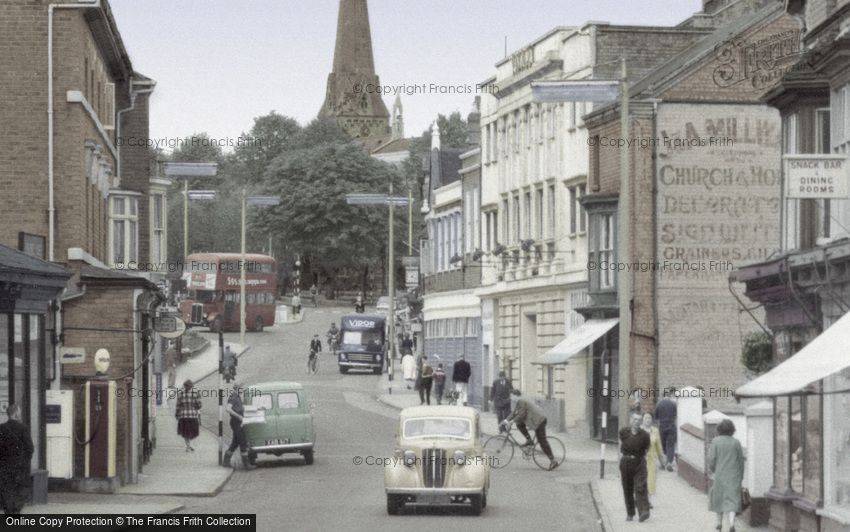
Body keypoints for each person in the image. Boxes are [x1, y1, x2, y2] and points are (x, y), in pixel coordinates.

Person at [500, 392, 559, 471]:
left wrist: (511, 422)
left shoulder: (521, 401)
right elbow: (514, 413)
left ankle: (553, 461)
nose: (511, 398)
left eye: (511, 396)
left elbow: (521, 415)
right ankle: (529, 440)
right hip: (535, 421)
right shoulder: (519, 402)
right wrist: (506, 420)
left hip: (539, 421)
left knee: (542, 442)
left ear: (515, 395)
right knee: (519, 424)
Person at [708, 419, 745, 532]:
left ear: (719, 429)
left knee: (719, 498)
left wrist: (713, 469)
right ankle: (732, 524)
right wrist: (741, 476)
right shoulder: (736, 442)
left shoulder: (715, 441)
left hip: (720, 474)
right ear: (732, 430)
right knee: (732, 500)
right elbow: (740, 461)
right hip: (734, 475)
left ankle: (719, 523)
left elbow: (712, 459)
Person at [0, 404, 33, 515]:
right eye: (19, 412)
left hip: (4, 466)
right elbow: (30, 448)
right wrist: (25, 461)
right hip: (20, 466)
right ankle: (16, 510)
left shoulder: (1, 428)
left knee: (6, 489)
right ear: (16, 413)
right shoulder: (23, 428)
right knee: (21, 488)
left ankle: (8, 511)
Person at [619, 412, 651, 522]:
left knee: (640, 486)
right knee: (627, 488)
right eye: (634, 419)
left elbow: (647, 448)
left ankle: (643, 512)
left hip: (639, 462)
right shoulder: (624, 432)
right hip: (626, 462)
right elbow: (620, 445)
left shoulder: (645, 435)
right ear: (630, 421)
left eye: (639, 420)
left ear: (641, 422)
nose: (636, 422)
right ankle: (630, 513)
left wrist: (641, 459)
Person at [223, 381, 254, 470]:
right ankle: (246, 465)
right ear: (237, 388)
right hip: (236, 422)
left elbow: (240, 408)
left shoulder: (238, 397)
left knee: (235, 442)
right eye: (241, 388)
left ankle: (226, 461)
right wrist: (239, 416)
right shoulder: (233, 397)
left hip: (238, 422)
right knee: (242, 441)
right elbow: (228, 409)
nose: (242, 390)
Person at [642, 412, 665, 506]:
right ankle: (641, 499)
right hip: (641, 459)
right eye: (646, 418)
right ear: (643, 419)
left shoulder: (655, 431)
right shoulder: (639, 430)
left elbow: (658, 446)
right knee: (641, 479)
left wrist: (662, 460)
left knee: (651, 480)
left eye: (649, 418)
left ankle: (648, 500)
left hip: (651, 459)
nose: (648, 420)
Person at [175, 379, 202, 452]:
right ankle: (189, 446)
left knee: (185, 432)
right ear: (191, 386)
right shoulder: (196, 393)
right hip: (193, 416)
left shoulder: (180, 393)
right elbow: (199, 405)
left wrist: (177, 414)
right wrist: (195, 407)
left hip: (183, 416)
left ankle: (188, 446)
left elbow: (178, 405)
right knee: (193, 432)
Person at [655, 389, 678, 471]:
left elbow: (656, 417)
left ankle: (663, 462)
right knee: (671, 445)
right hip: (671, 425)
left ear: (662, 396)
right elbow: (676, 414)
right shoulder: (673, 404)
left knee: (662, 444)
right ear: (669, 395)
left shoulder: (659, 404)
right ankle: (669, 462)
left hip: (662, 426)